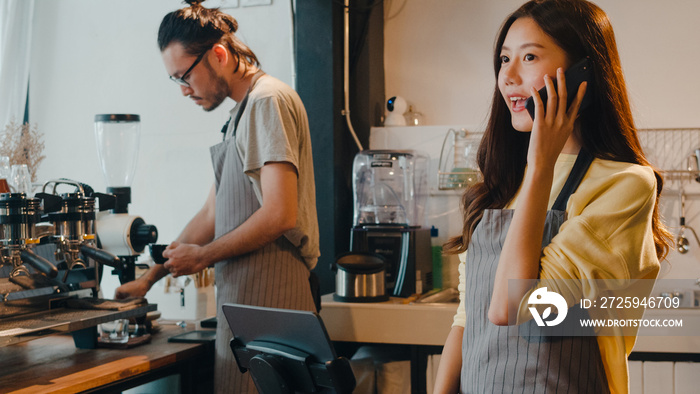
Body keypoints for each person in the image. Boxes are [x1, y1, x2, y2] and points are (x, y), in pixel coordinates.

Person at [433, 0, 671, 393]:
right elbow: (468, 318)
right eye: (504, 58)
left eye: (528, 57)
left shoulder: (626, 186)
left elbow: (512, 307)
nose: (507, 76)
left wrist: (541, 166)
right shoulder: (501, 185)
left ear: (583, 72)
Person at [114, 0, 319, 392]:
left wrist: (204, 257)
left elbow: (280, 214)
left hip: (272, 307)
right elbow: (211, 212)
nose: (184, 90)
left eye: (184, 76)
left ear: (219, 55)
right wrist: (151, 278)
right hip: (246, 310)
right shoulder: (240, 115)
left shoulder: (266, 102)